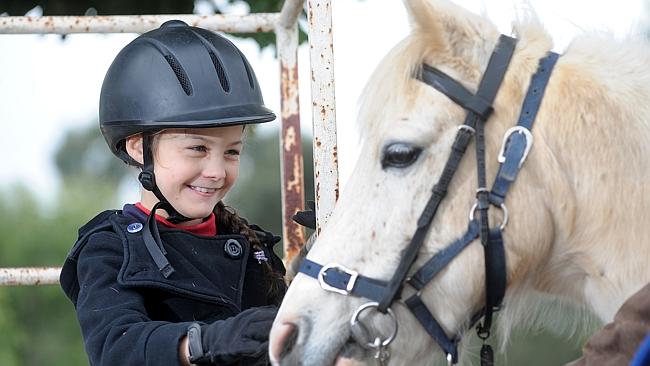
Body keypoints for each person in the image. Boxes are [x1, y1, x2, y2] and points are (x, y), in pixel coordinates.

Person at [59, 20, 286, 366]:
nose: (216, 171)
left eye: (232, 151)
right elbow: (116, 347)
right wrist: (203, 342)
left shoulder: (254, 248)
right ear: (139, 148)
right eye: (197, 148)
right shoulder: (109, 247)